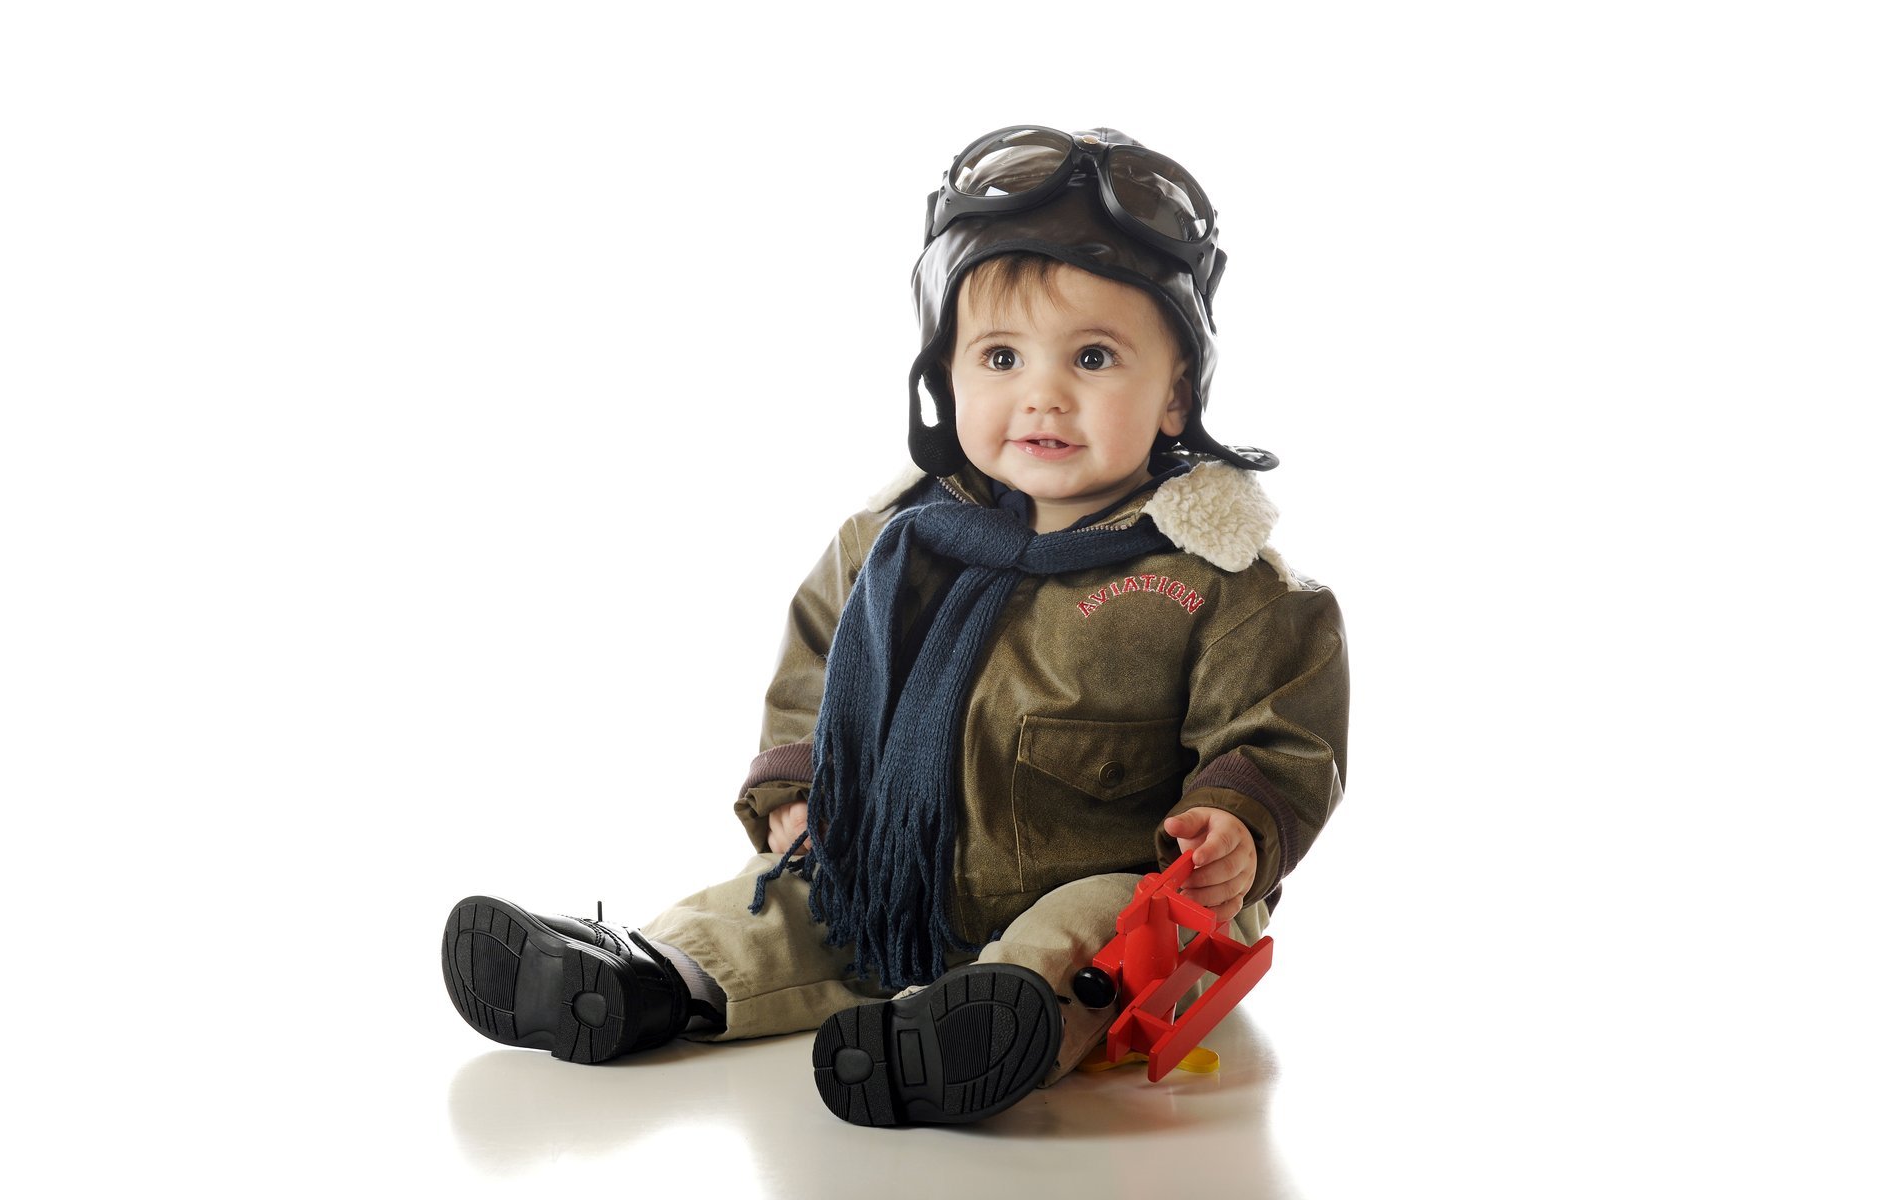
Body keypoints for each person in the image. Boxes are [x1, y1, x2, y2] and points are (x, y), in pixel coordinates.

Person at [440, 125, 1350, 1127]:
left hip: (1113, 872)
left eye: (1092, 357)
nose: (1040, 393)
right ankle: (642, 978)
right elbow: (814, 664)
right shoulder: (892, 542)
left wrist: (1236, 829)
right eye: (999, 356)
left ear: (1175, 394)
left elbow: (1277, 732)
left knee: (1092, 930)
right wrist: (795, 789)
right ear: (944, 375)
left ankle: (981, 1031)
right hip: (894, 871)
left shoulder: (1220, 576)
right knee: (787, 901)